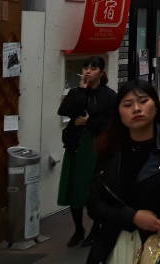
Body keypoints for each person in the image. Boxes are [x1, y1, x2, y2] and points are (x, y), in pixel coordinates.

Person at [86, 80, 160, 264]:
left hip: (159, 244)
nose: (136, 108)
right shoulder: (109, 148)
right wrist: (132, 217)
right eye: (127, 105)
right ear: (119, 113)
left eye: (143, 101)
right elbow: (94, 204)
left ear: (156, 106)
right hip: (114, 244)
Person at [57, 56, 117, 247]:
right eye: (86, 67)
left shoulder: (108, 95)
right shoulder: (76, 92)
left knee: (93, 190)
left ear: (101, 72)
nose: (88, 71)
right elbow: (64, 110)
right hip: (75, 144)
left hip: (95, 146)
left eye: (93, 68)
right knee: (74, 187)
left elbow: (110, 123)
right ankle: (78, 229)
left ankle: (95, 230)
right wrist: (82, 90)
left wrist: (88, 122)